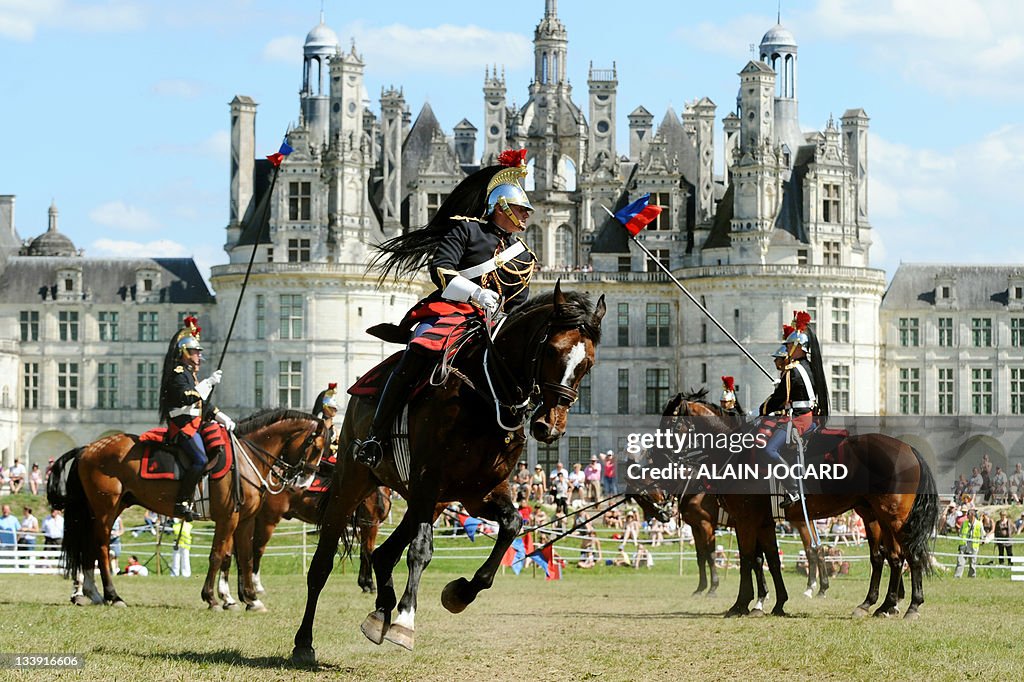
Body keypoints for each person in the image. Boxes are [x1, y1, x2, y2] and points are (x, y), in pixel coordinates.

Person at [354, 149, 536, 467]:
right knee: (419, 348)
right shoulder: (466, 231)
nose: (526, 217)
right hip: (453, 311)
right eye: (522, 210)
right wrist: (477, 294)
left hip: (495, 323)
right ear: (502, 206)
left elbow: (519, 302)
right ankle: (376, 435)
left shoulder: (523, 255)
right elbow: (441, 269)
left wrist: (506, 318)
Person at [158, 316, 235, 520]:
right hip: (182, 427)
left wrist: (222, 417)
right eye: (196, 352)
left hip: (193, 425)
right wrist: (208, 383)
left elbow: (203, 405)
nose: (200, 357)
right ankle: (182, 501)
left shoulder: (189, 374)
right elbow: (186, 397)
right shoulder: (178, 373)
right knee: (200, 460)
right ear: (184, 353)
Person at [757, 312, 830, 507]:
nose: (787, 348)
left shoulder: (793, 371)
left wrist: (762, 409)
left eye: (790, 345)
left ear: (797, 347)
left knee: (769, 450)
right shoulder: (808, 367)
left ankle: (793, 489)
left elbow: (778, 400)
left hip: (798, 418)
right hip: (807, 415)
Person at [955, 507, 983, 578]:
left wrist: (981, 541)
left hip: (973, 546)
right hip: (964, 545)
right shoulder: (964, 523)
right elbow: (960, 532)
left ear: (972, 515)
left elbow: (982, 535)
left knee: (972, 563)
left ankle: (971, 577)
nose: (967, 516)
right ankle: (957, 576)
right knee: (960, 562)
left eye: (968, 514)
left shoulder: (979, 524)